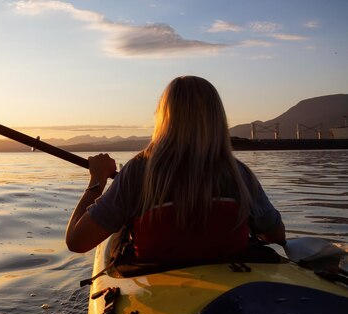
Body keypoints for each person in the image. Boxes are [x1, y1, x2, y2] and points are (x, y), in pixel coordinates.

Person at [65, 76, 285, 260]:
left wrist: (97, 181)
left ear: (163, 118)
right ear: (216, 119)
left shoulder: (137, 173)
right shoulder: (239, 174)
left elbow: (77, 242)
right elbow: (275, 235)